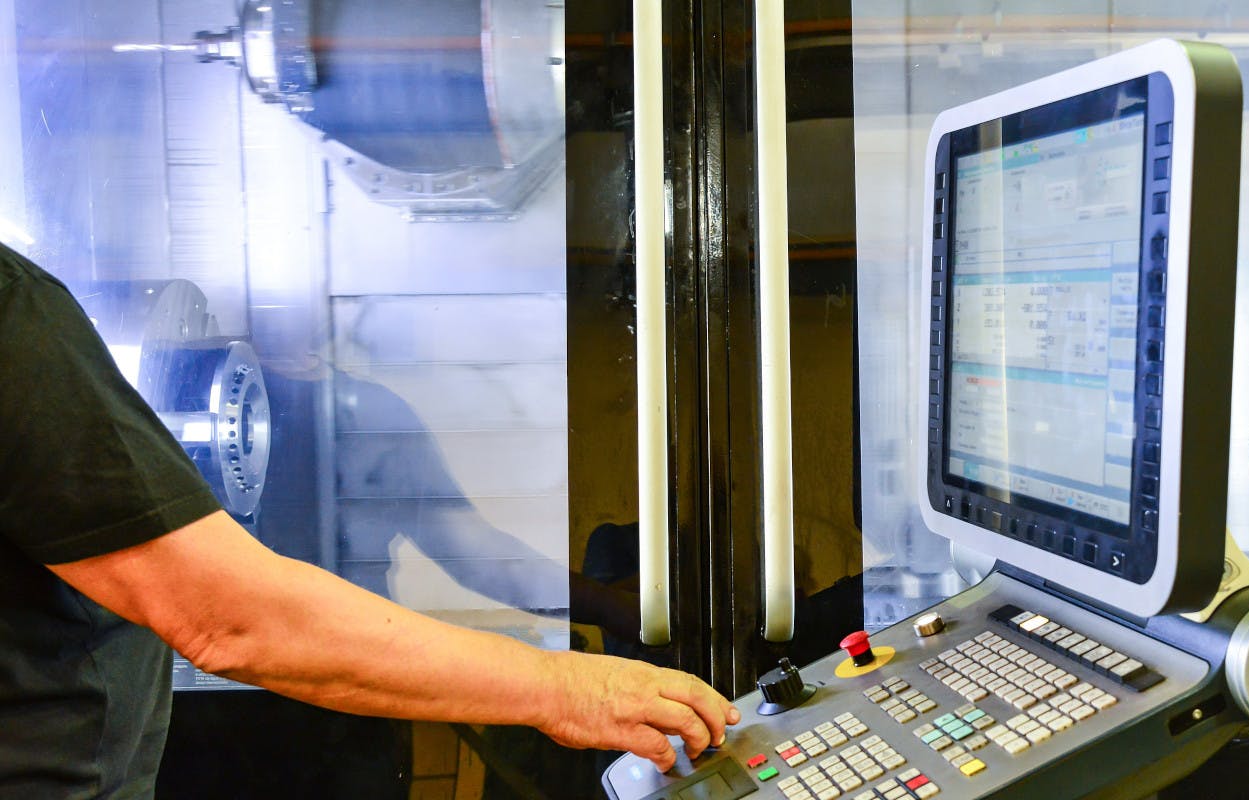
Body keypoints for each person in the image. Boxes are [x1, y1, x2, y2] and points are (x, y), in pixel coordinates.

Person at [0, 245, 738, 798]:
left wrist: (614, 611)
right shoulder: (20, 316)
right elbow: (227, 620)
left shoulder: (370, 415)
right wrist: (561, 687)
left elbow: (471, 548)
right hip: (215, 732)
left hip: (331, 727)